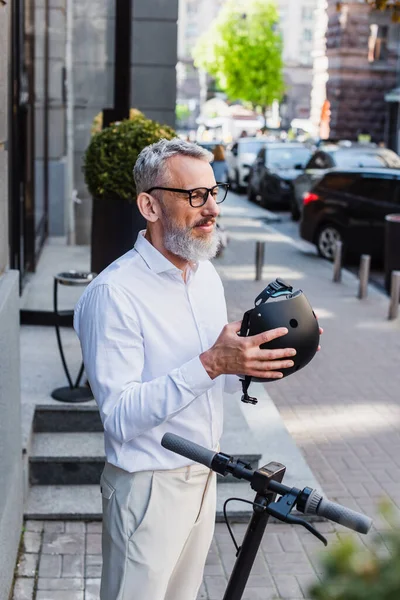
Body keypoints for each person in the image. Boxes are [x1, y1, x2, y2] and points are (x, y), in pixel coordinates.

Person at [74, 138, 297, 600]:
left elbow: (210, 363)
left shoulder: (204, 273)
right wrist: (214, 363)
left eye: (215, 192)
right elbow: (119, 416)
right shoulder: (113, 294)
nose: (211, 208)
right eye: (195, 196)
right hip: (147, 488)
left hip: (205, 475)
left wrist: (256, 355)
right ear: (149, 206)